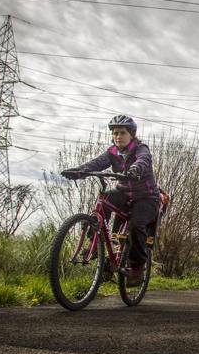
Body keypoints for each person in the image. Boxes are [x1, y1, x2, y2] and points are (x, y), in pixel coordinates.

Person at [61, 115, 160, 287]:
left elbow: (143, 161)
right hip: (124, 194)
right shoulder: (112, 152)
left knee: (137, 225)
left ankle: (137, 267)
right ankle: (95, 243)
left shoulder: (141, 149)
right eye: (115, 133)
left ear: (132, 134)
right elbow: (96, 163)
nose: (118, 137)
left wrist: (135, 169)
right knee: (104, 199)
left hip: (147, 198)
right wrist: (78, 171)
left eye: (122, 133)